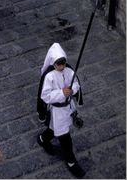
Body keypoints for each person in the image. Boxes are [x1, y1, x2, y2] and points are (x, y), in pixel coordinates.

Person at [36, 42, 85, 178]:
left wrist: (72, 90)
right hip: (57, 112)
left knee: (53, 129)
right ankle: (71, 161)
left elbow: (76, 83)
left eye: (63, 63)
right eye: (59, 64)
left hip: (68, 108)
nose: (62, 66)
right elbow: (45, 96)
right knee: (65, 138)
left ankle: (42, 139)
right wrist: (62, 93)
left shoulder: (68, 71)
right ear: (53, 63)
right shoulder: (49, 76)